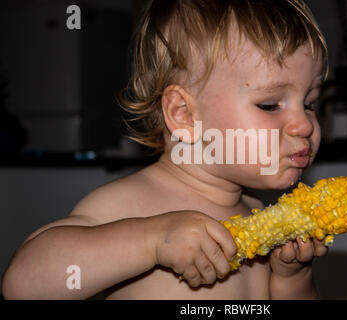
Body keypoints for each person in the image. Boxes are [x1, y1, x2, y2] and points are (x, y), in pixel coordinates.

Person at [2, 0, 329, 300]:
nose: (305, 125)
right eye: (270, 104)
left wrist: (292, 279)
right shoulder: (132, 205)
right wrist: (151, 241)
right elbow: (23, 285)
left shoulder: (254, 208)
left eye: (310, 102)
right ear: (184, 115)